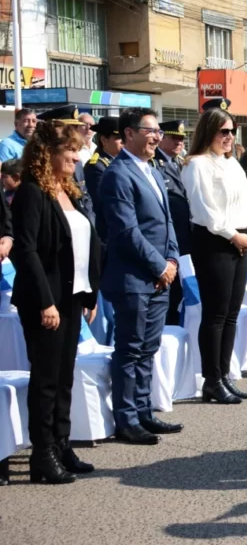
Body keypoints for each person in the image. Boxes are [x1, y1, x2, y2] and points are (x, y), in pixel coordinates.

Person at [11, 122, 100, 483]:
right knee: (46, 379)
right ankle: (42, 455)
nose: (77, 157)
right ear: (48, 155)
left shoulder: (68, 190)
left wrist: (89, 293)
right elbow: (26, 251)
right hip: (45, 300)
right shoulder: (33, 193)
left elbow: (85, 244)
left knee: (65, 376)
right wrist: (46, 302)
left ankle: (62, 444)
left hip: (72, 295)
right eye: (70, 152)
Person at [98, 107, 183, 444]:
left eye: (157, 132)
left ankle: (144, 412)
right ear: (128, 134)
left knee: (149, 348)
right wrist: (159, 266)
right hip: (133, 277)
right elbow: (126, 231)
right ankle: (127, 418)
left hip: (159, 275)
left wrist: (172, 258)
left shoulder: (152, 170)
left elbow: (167, 222)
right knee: (130, 350)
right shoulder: (118, 174)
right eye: (149, 131)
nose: (155, 138)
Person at [182, 98, 247, 403]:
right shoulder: (196, 164)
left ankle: (224, 374)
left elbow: (245, 203)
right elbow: (204, 211)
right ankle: (211, 379)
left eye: (232, 131)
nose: (229, 137)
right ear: (209, 131)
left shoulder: (232, 163)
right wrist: (233, 235)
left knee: (231, 313)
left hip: (240, 239)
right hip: (215, 241)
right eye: (223, 131)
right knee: (214, 314)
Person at [155, 120, 192, 325]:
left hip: (186, 236)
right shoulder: (155, 163)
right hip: (171, 237)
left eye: (181, 138)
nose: (179, 142)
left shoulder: (182, 162)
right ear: (162, 139)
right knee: (172, 292)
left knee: (184, 290)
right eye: (174, 138)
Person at [35, 106, 94, 221]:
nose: (73, 133)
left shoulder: (77, 163)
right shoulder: (35, 184)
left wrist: (90, 225)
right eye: (69, 128)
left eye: (75, 128)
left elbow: (85, 197)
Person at [83, 116, 123, 244]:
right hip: (108, 234)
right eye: (118, 138)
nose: (124, 141)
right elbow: (103, 203)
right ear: (104, 140)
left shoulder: (122, 162)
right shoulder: (96, 166)